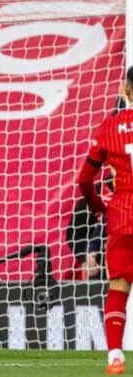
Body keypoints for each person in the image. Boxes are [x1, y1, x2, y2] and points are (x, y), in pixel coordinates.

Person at [77, 66, 133, 375]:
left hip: (123, 215)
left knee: (119, 286)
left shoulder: (110, 126)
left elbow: (84, 179)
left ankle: (115, 356)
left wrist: (98, 207)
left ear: (126, 89)